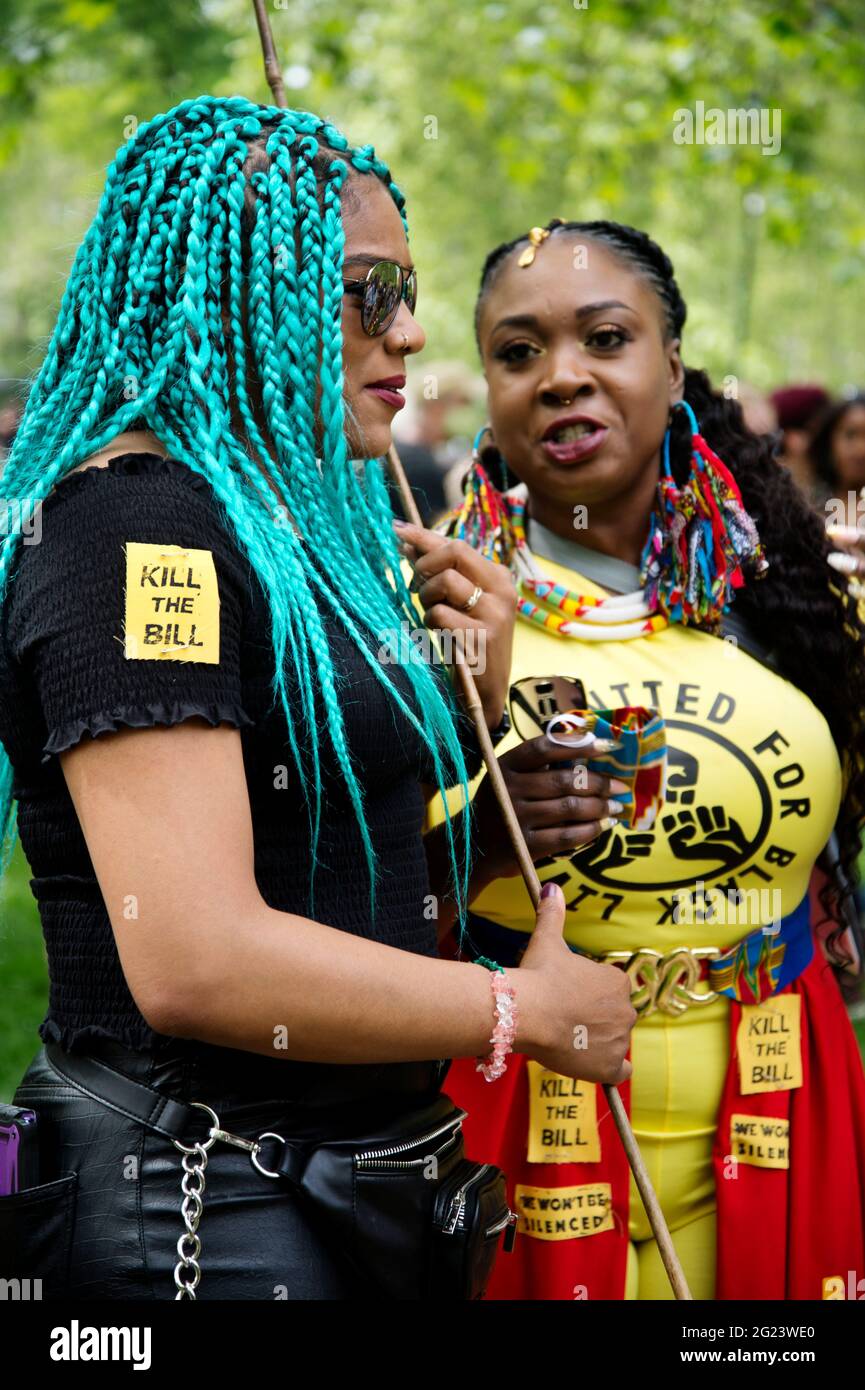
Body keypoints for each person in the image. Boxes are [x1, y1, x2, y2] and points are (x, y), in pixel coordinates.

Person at [0, 102, 636, 1300]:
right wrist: (524, 1010)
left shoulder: (279, 528)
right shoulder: (140, 531)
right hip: (199, 1209)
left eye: (408, 287)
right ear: (238, 287)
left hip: (343, 1195)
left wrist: (476, 754)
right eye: (367, 289)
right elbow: (198, 957)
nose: (411, 328)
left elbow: (313, 860)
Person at [430, 218, 865, 1300]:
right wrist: (479, 831)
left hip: (777, 1093)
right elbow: (342, 891)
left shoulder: (800, 595)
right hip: (518, 1121)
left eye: (605, 338)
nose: (560, 377)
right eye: (517, 353)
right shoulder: (432, 609)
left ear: (671, 364)